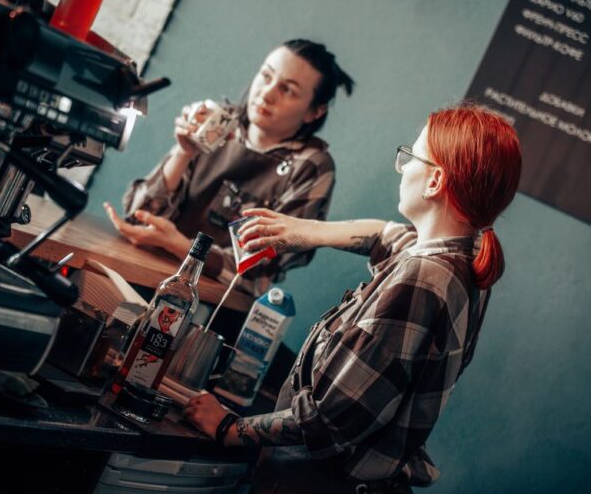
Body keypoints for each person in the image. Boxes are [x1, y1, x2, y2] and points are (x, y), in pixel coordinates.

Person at [182, 104, 522, 492]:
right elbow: (384, 235)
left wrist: (230, 428)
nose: (403, 168)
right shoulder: (462, 259)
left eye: (411, 157)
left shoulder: (423, 279)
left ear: (434, 181)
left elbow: (328, 420)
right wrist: (303, 230)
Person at [104, 39, 354, 296]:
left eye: (287, 90)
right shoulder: (218, 123)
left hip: (214, 302)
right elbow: (138, 217)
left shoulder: (311, 167)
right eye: (266, 76)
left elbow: (260, 268)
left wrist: (183, 247)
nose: (267, 94)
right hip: (145, 269)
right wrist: (183, 152)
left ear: (314, 112)